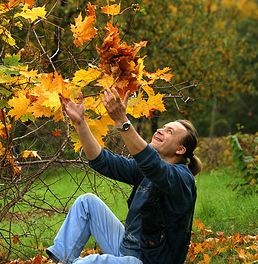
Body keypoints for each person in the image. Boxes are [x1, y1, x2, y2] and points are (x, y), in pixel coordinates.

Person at [46, 88, 202, 264]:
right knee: (86, 203)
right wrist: (80, 123)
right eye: (163, 127)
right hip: (126, 250)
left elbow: (154, 166)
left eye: (170, 132)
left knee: (86, 263)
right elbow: (103, 162)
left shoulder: (182, 179)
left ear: (180, 150)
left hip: (149, 261)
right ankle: (59, 260)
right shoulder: (144, 170)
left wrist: (122, 120)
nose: (160, 130)